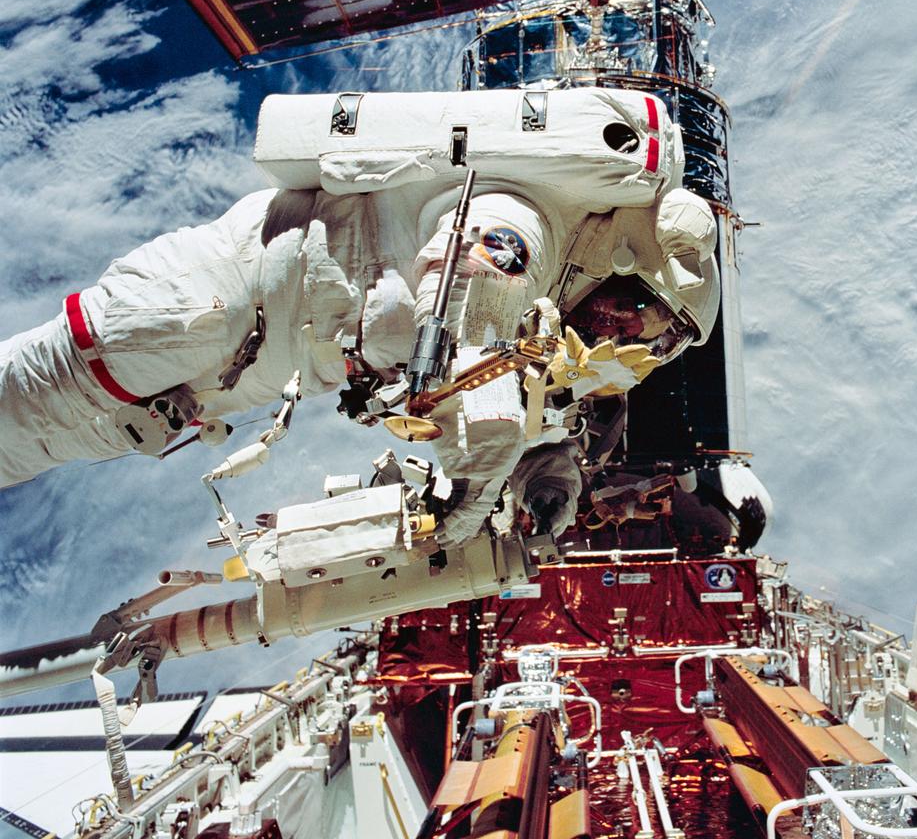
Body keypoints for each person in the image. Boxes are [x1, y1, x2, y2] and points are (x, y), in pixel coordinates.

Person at [0, 89, 721, 550]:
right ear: (621, 261)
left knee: (56, 442)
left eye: (655, 341)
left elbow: (525, 415)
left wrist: (545, 480)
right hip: (210, 299)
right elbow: (472, 297)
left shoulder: (550, 330)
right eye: (638, 309)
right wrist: (482, 468)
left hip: (242, 375)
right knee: (44, 397)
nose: (624, 332)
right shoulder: (529, 221)